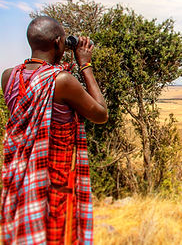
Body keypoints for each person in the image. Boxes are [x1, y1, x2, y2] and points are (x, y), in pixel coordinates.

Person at [0, 16, 108, 244]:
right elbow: (101, 114)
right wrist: (85, 65)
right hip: (54, 184)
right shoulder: (62, 81)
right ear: (59, 42)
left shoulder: (9, 76)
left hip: (19, 180)